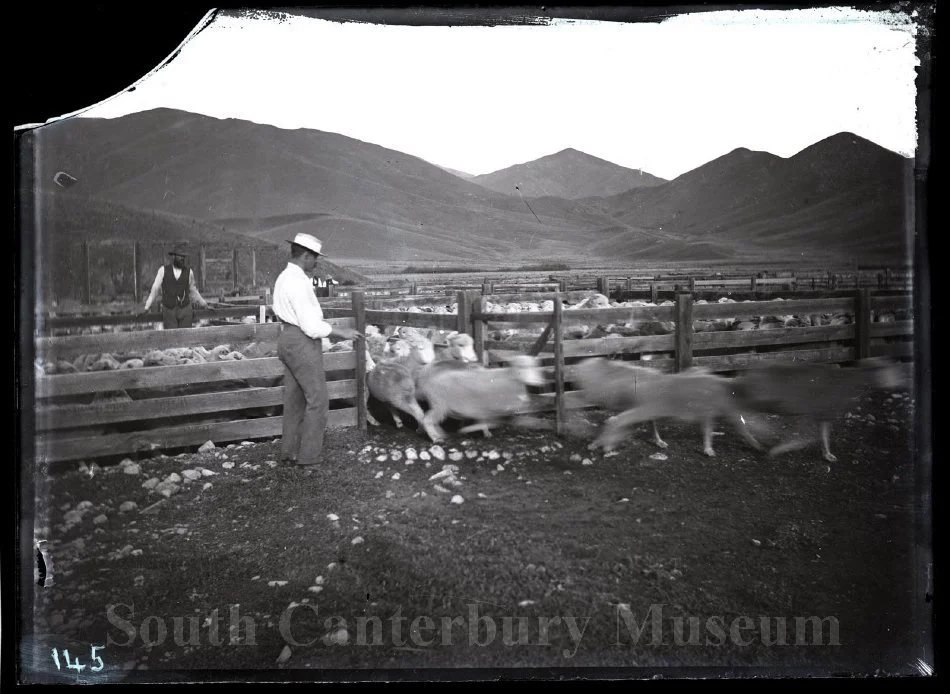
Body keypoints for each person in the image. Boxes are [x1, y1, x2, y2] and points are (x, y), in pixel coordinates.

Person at [272, 233, 362, 467]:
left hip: (286, 338)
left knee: (294, 399)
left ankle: (289, 451)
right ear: (305, 256)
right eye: (315, 258)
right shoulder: (299, 282)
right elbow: (312, 327)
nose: (317, 263)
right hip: (302, 341)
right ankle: (309, 458)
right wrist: (342, 333)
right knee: (318, 400)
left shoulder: (283, 277)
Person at [140, 245, 214, 328]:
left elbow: (193, 291)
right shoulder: (163, 270)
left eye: (183, 257)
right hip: (169, 310)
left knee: (186, 336)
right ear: (174, 256)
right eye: (179, 256)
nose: (182, 259)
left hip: (185, 310)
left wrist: (204, 304)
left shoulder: (189, 272)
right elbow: (155, 289)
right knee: (172, 337)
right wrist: (147, 306)